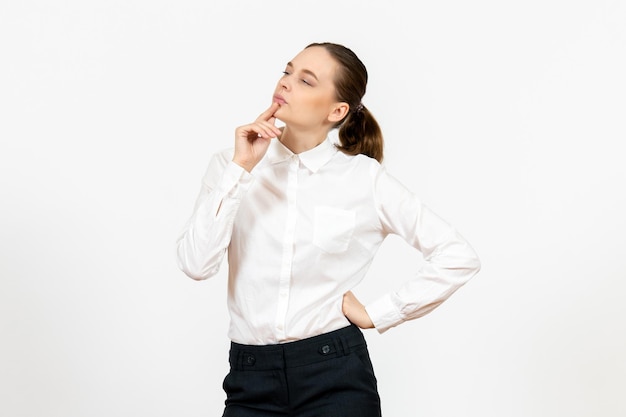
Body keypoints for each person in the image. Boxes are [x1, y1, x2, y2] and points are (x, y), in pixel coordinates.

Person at [176, 42, 481, 417]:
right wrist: (240, 169)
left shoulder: (363, 179)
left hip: (335, 376)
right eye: (287, 71)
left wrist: (381, 313)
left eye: (306, 80)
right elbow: (196, 264)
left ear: (337, 111)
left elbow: (457, 255)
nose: (286, 83)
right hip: (249, 379)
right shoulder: (230, 165)